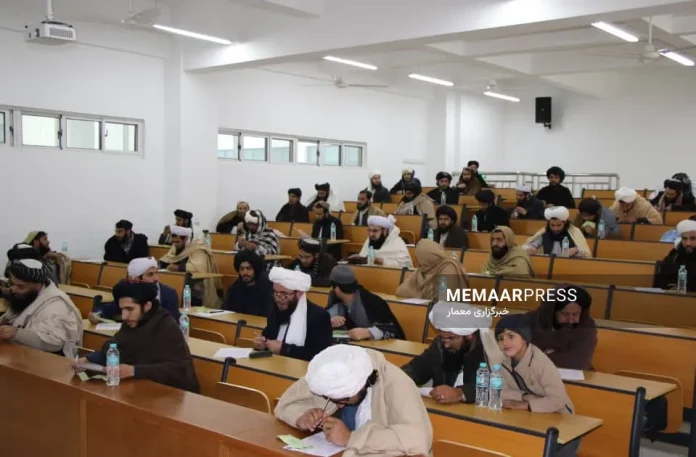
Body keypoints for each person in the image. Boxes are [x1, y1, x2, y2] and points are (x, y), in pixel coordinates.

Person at [274, 345, 433, 456]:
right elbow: (286, 404)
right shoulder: (331, 368)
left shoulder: (397, 383)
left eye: (344, 399)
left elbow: (418, 440)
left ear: (362, 383)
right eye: (330, 398)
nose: (339, 404)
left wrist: (351, 438)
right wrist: (301, 416)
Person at [75, 281, 199, 393]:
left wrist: (134, 371)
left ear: (147, 306)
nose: (124, 316)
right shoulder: (133, 322)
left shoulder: (166, 325)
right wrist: (88, 360)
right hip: (139, 390)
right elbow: (118, 347)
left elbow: (180, 371)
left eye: (130, 309)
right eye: (122, 310)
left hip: (169, 397)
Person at [402, 301, 504, 404]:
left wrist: (460, 393)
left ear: (469, 335)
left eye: (451, 338)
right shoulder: (440, 345)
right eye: (442, 337)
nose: (446, 344)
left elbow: (497, 387)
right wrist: (398, 376)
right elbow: (417, 368)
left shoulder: (490, 349)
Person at [0, 259, 82, 358]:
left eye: (20, 287)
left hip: (46, 360)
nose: (14, 289)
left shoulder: (55, 306)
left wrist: (16, 333)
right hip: (20, 354)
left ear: (38, 285)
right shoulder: (28, 296)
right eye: (12, 283)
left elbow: (55, 342)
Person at [495, 314, 576, 414]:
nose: (505, 342)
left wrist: (526, 405)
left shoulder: (540, 362)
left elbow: (558, 400)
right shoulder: (503, 361)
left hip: (560, 414)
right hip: (527, 413)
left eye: (510, 336)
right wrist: (525, 397)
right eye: (500, 338)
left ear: (525, 337)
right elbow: (499, 391)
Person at [254, 267, 331, 361]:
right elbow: (268, 336)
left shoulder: (318, 316)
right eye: (276, 293)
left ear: (299, 294)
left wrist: (285, 349)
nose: (278, 299)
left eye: (284, 294)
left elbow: (320, 354)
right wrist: (262, 343)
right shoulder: (276, 310)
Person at [527, 284, 597, 371]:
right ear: (552, 312)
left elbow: (578, 361)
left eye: (575, 314)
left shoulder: (587, 326)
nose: (571, 320)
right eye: (565, 314)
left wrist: (536, 358)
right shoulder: (529, 320)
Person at [89, 257, 181, 323]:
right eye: (150, 275)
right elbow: (109, 308)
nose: (156, 278)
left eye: (156, 273)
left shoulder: (168, 293)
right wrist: (97, 314)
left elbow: (174, 321)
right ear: (136, 279)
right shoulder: (129, 291)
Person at [326, 266, 404, 340]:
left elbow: (393, 330)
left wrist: (368, 333)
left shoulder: (373, 302)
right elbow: (325, 319)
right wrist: (330, 321)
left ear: (337, 289)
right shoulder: (335, 301)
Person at [159, 226, 222, 308]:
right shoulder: (176, 246)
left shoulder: (197, 248)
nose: (175, 244)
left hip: (196, 288)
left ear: (185, 239)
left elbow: (199, 268)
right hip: (179, 282)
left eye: (177, 242)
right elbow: (168, 258)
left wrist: (178, 267)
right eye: (173, 242)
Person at [396, 239, 468, 300]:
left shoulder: (449, 267)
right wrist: (424, 293)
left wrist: (418, 293)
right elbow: (401, 290)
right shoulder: (424, 268)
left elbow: (443, 296)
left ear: (425, 258)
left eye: (419, 257)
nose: (417, 261)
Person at [523, 207, 592, 258]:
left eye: (558, 225)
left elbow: (585, 253)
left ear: (565, 222)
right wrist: (528, 249)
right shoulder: (545, 232)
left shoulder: (574, 232)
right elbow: (529, 245)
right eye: (552, 225)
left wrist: (576, 250)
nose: (555, 228)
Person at [222, 250, 273, 317]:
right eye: (242, 269)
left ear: (255, 269)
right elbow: (226, 310)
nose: (245, 272)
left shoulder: (267, 287)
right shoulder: (236, 287)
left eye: (248, 268)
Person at [655, 219, 696, 292]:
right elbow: (662, 278)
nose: (688, 243)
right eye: (684, 239)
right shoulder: (675, 255)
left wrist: (688, 288)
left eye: (693, 239)